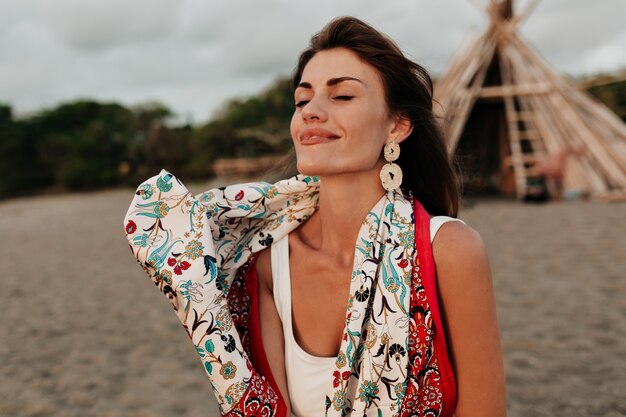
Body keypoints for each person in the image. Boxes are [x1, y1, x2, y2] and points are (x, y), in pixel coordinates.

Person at [123, 16, 505, 417]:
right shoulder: (270, 263)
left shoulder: (449, 250)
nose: (311, 111)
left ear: (397, 124)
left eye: (341, 97)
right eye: (302, 100)